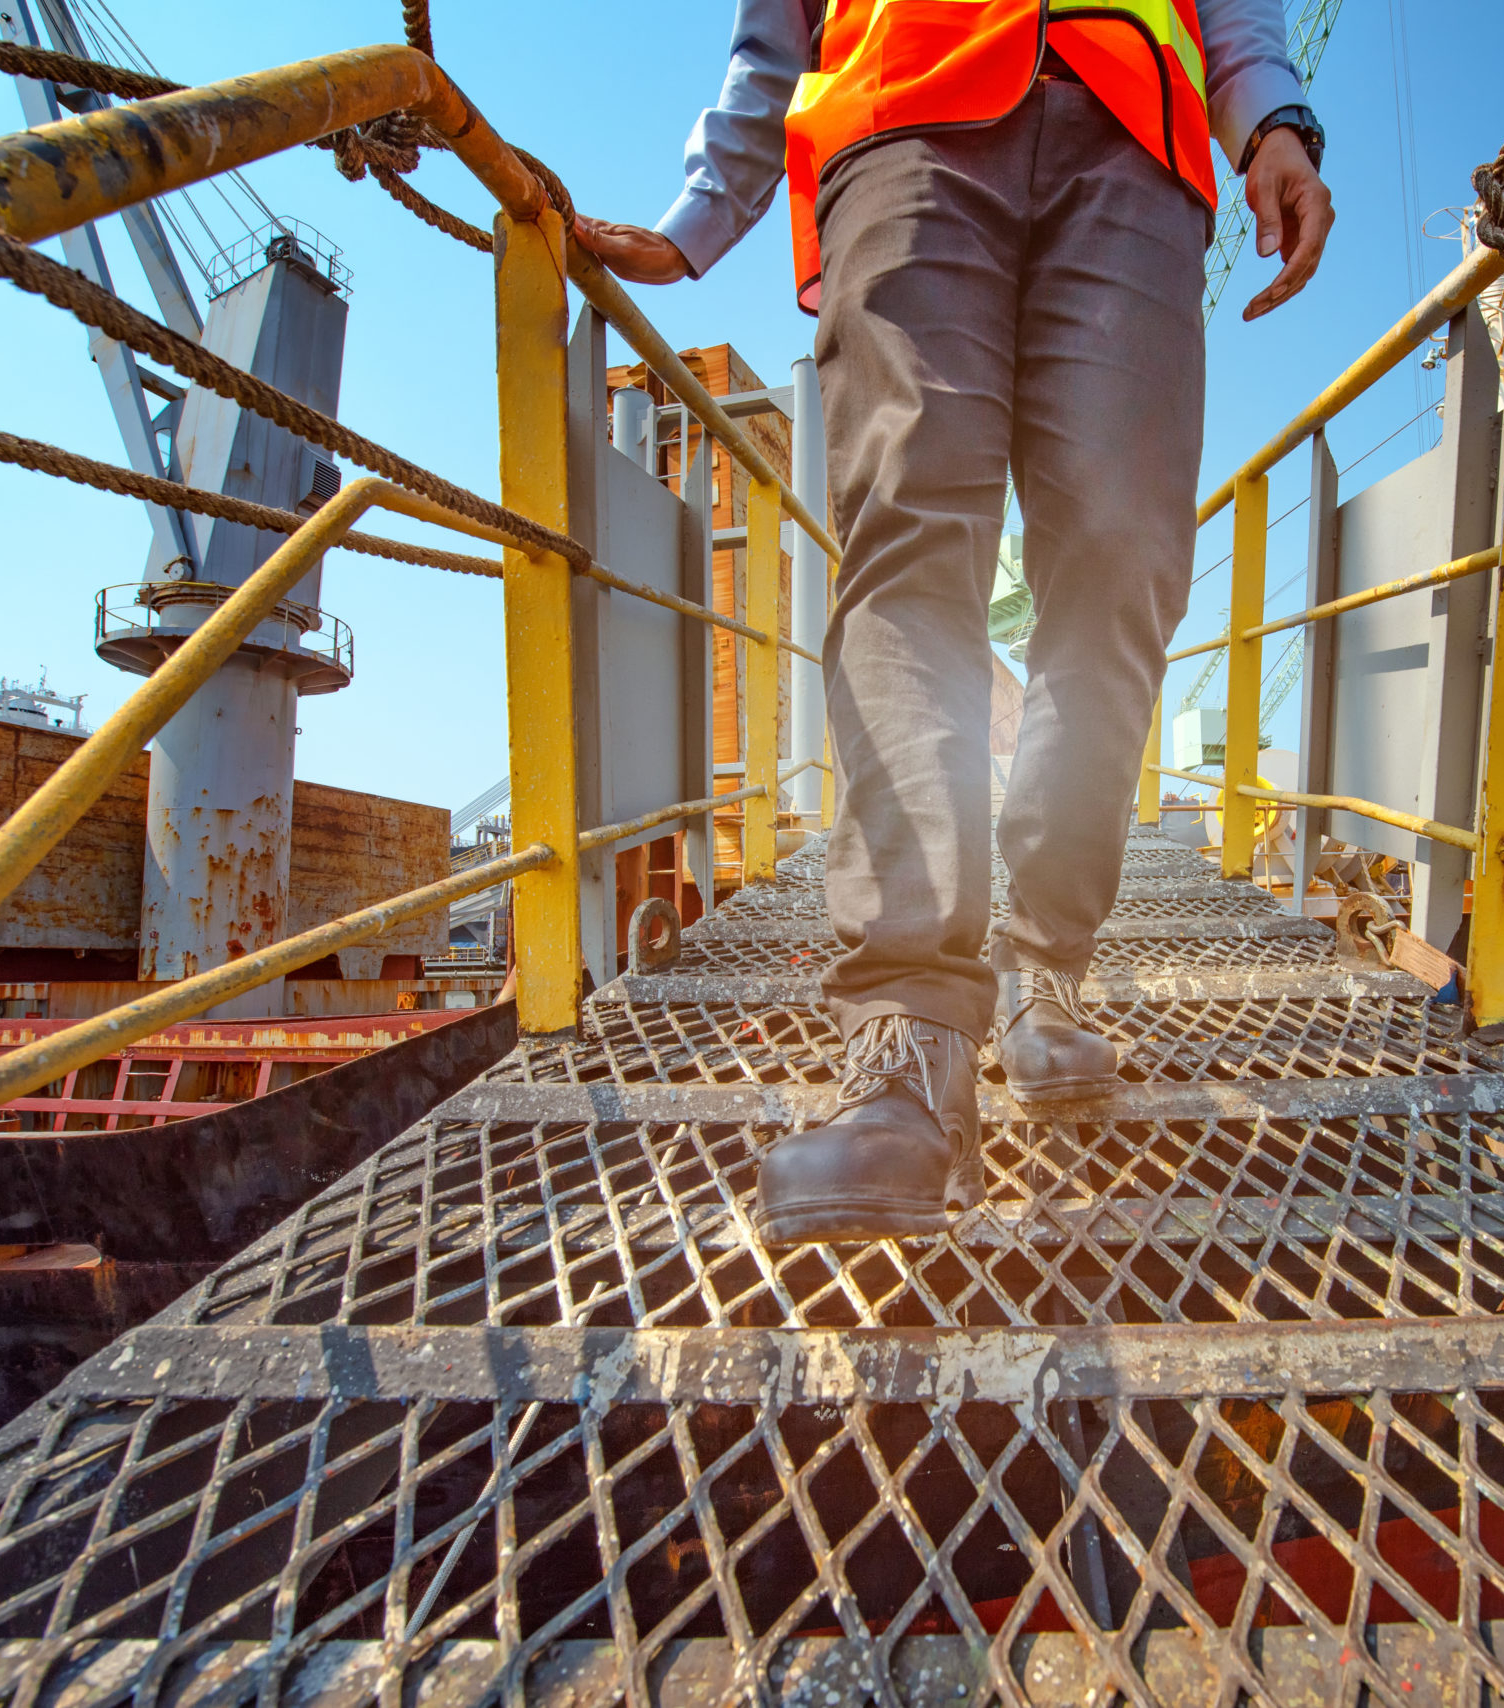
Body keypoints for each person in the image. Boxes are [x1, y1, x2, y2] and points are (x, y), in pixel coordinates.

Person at [578, 0, 1333, 1245]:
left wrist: (1267, 117)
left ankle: (1048, 965)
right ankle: (909, 1043)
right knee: (911, 542)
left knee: (1124, 554)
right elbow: (776, 23)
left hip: (1136, 142)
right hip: (907, 119)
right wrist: (704, 214)